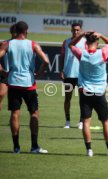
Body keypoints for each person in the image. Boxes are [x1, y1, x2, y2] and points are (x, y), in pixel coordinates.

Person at [0, 21, 49, 154]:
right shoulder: (33, 44)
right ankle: (34, 146)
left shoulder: (8, 43)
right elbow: (46, 61)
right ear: (26, 30)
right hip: (29, 84)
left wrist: (3, 71)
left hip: (13, 82)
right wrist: (38, 74)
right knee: (34, 113)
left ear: (15, 30)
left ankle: (16, 147)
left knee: (15, 114)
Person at [69, 31, 108, 157]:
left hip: (85, 92)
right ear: (97, 43)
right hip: (99, 93)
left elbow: (71, 45)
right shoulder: (102, 53)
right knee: (105, 122)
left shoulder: (82, 54)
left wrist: (81, 35)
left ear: (86, 43)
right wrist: (101, 35)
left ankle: (89, 150)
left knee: (86, 122)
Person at [60, 22, 86, 129]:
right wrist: (61, 70)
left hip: (81, 75)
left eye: (77, 30)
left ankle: (81, 121)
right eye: (74, 30)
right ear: (71, 30)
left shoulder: (85, 42)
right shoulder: (66, 42)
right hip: (68, 74)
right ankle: (67, 121)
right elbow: (62, 56)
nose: (75, 32)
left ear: (80, 30)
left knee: (83, 100)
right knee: (67, 98)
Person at [0, 24, 17, 111]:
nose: (16, 34)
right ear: (11, 32)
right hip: (6, 74)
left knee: (15, 101)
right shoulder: (5, 44)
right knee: (1, 95)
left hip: (18, 76)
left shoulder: (26, 44)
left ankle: (13, 118)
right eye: (14, 32)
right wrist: (1, 69)